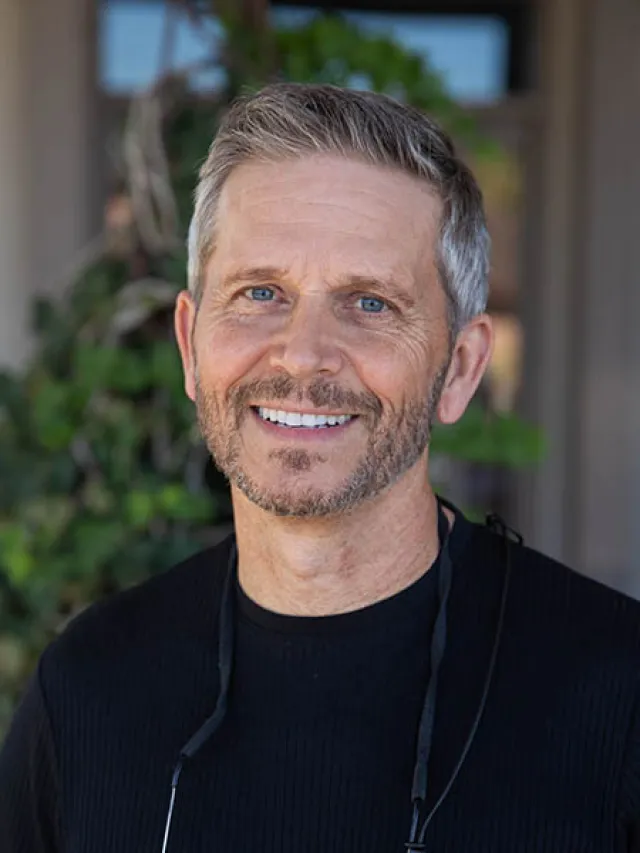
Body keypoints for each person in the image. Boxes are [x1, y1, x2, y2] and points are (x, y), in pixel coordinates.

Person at [1, 82, 640, 853]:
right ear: (190, 344)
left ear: (463, 368)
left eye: (369, 303)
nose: (303, 353)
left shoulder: (616, 693)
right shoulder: (91, 687)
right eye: (261, 292)